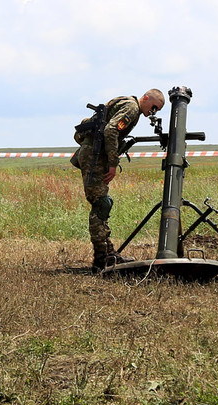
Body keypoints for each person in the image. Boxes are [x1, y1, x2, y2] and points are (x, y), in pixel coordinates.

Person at [73, 89, 166, 273]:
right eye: (154, 106)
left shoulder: (129, 105)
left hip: (96, 155)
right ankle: (101, 260)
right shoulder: (132, 107)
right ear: (146, 98)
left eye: (158, 110)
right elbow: (111, 130)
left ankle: (108, 253)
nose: (153, 112)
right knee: (101, 205)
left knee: (103, 203)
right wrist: (113, 164)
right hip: (95, 157)